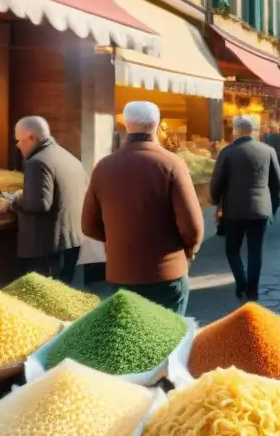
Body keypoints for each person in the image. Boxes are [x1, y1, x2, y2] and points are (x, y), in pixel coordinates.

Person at [81, 101, 202, 312]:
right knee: (170, 340)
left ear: (127, 126)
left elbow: (88, 225)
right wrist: (189, 251)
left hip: (120, 274)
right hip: (166, 273)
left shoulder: (103, 167)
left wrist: (120, 241)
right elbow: (192, 227)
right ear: (157, 125)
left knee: (133, 341)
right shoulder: (171, 163)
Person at [210, 116, 280, 301]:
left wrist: (216, 201)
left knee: (232, 249)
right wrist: (272, 208)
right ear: (254, 131)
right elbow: (278, 185)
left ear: (235, 131)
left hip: (233, 210)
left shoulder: (227, 152)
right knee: (255, 251)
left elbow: (216, 182)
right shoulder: (268, 150)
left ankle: (241, 283)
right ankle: (253, 290)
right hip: (260, 210)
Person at [9, 116, 88, 283]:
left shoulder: (37, 162)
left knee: (42, 302)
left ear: (32, 138)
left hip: (47, 247)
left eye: (19, 140)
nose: (17, 145)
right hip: (70, 242)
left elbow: (40, 203)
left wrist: (14, 200)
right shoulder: (68, 157)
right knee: (62, 296)